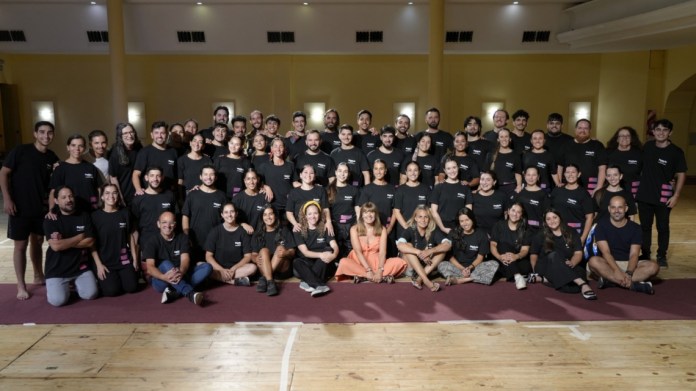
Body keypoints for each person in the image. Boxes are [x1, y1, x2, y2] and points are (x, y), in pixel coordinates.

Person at [0, 121, 59, 300]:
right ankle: (21, 284)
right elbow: (3, 173)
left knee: (38, 241)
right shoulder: (21, 151)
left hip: (40, 208)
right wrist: (7, 199)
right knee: (20, 245)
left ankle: (38, 274)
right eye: (42, 132)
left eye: (49, 133)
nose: (45, 136)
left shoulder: (52, 157)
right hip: (20, 207)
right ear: (35, 134)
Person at [636, 119, 687, 267]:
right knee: (645, 227)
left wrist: (676, 195)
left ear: (670, 133)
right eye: (658, 129)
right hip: (645, 195)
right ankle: (645, 253)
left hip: (664, 197)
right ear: (653, 131)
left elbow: (681, 174)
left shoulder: (676, 152)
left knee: (663, 227)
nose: (661, 132)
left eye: (664, 130)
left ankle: (661, 255)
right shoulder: (647, 146)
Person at [588, 195, 659, 294]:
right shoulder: (601, 226)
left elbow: (634, 254)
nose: (616, 210)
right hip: (609, 263)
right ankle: (633, 285)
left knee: (653, 267)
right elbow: (606, 253)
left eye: (620, 207)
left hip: (629, 263)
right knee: (593, 261)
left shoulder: (636, 228)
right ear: (609, 209)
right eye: (613, 207)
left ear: (626, 208)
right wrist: (616, 270)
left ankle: (611, 281)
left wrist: (629, 273)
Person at [44, 186, 99, 307]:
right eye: (63, 197)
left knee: (91, 294)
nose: (68, 200)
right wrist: (80, 237)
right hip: (57, 269)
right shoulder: (51, 219)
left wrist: (64, 242)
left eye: (70, 196)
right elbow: (56, 247)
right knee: (58, 301)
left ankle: (74, 284)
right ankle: (60, 287)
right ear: (57, 201)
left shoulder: (84, 216)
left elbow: (90, 242)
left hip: (80, 268)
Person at [143, 211, 211, 305]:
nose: (168, 225)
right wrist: (164, 277)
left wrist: (181, 272)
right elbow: (150, 268)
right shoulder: (151, 241)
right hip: (161, 280)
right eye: (164, 222)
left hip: (180, 275)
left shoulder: (183, 238)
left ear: (175, 225)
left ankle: (174, 292)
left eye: (171, 223)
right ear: (158, 224)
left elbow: (185, 259)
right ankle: (190, 293)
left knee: (207, 267)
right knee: (166, 263)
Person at [529, 209, 597, 300]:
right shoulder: (540, 235)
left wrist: (573, 262)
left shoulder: (572, 232)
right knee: (554, 255)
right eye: (548, 219)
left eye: (554, 217)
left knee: (573, 288)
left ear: (560, 218)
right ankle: (582, 284)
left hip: (568, 264)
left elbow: (578, 253)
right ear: (545, 222)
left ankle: (544, 279)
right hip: (547, 266)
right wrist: (535, 271)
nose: (552, 221)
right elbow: (533, 254)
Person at [335, 202, 407, 283]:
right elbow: (358, 252)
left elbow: (382, 252)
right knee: (343, 262)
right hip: (359, 260)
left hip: (377, 261)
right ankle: (377, 276)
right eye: (365, 212)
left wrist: (380, 270)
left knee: (399, 262)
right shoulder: (354, 229)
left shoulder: (382, 229)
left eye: (372, 212)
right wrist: (368, 270)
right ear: (361, 215)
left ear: (375, 215)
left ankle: (364, 277)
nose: (369, 215)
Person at [90, 183, 139, 297]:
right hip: (105, 262)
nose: (111, 196)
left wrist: (135, 258)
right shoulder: (95, 216)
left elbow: (129, 236)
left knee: (132, 287)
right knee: (112, 291)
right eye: (107, 193)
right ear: (101, 196)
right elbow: (91, 244)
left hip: (123, 260)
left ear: (118, 195)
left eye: (114, 193)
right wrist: (99, 265)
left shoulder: (125, 213)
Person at [396, 205, 450, 292]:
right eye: (420, 217)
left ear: (429, 219)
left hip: (426, 267)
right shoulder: (410, 229)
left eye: (426, 217)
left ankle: (420, 279)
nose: (423, 220)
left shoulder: (433, 230)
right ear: (415, 218)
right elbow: (399, 245)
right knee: (408, 246)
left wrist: (430, 251)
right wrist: (419, 253)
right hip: (411, 268)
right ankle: (426, 280)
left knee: (442, 251)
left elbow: (448, 245)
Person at [438, 207, 496, 286]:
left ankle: (461, 280)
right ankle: (473, 278)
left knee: (494, 264)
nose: (465, 223)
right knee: (442, 265)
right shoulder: (453, 233)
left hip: (475, 268)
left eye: (467, 220)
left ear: (472, 219)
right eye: (461, 221)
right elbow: (450, 256)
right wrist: (462, 269)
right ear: (459, 222)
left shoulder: (481, 234)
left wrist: (470, 268)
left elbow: (480, 258)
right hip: (457, 267)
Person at [293, 201, 339, 297]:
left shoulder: (326, 228)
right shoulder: (299, 230)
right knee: (296, 262)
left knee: (327, 252)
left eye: (315, 213)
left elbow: (335, 246)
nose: (312, 216)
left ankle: (308, 282)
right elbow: (305, 252)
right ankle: (319, 285)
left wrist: (334, 255)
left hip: (324, 263)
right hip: (309, 262)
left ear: (319, 214)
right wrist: (320, 254)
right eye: (309, 214)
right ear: (305, 216)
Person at [204, 203, 256, 286]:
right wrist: (221, 270)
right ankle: (234, 281)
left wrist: (233, 269)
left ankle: (219, 278)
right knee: (200, 265)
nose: (229, 215)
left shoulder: (242, 232)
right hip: (218, 268)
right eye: (226, 212)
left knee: (253, 268)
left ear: (236, 213)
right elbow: (208, 256)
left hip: (236, 269)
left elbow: (248, 256)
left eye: (232, 212)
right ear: (222, 215)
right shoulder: (215, 231)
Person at [181, 165, 226, 260]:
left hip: (216, 240)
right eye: (205, 174)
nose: (208, 177)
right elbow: (185, 216)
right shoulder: (192, 195)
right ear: (200, 177)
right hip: (195, 240)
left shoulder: (222, 196)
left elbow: (226, 219)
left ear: (216, 177)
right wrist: (186, 235)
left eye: (211, 174)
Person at [49, 134, 103, 213]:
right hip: (69, 213)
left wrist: (98, 205)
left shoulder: (90, 167)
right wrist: (51, 211)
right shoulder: (60, 169)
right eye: (73, 145)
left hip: (90, 211)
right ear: (68, 147)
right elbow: (53, 192)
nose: (77, 149)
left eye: (80, 146)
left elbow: (98, 189)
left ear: (84, 148)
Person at [251, 204, 296, 296]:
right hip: (264, 268)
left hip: (282, 269)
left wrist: (286, 253)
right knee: (263, 251)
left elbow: (293, 252)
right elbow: (253, 254)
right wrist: (255, 259)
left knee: (280, 248)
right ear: (262, 217)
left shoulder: (284, 230)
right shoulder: (257, 234)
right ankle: (270, 281)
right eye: (265, 214)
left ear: (275, 215)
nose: (268, 217)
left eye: (271, 214)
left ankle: (265, 278)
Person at [130, 166, 177, 247]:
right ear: (146, 178)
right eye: (152, 176)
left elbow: (175, 217)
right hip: (146, 241)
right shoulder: (138, 198)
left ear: (162, 178)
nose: (155, 179)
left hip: (167, 241)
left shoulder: (169, 195)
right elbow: (134, 225)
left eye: (158, 176)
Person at [558, 119, 607, 195]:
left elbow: (602, 167)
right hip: (569, 185)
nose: (582, 131)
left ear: (590, 130)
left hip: (591, 187)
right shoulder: (566, 145)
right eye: (580, 128)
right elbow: (560, 166)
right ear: (575, 129)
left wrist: (599, 187)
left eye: (586, 128)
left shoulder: (597, 145)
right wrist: (559, 182)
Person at [490, 203, 533, 290]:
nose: (515, 214)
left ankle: (509, 276)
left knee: (526, 267)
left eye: (518, 212)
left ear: (521, 215)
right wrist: (499, 257)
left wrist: (516, 256)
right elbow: (493, 245)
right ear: (508, 211)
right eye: (513, 210)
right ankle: (517, 276)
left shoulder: (526, 229)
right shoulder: (499, 225)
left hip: (517, 259)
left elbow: (525, 250)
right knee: (503, 245)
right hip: (501, 259)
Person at [551, 164, 594, 244]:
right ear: (564, 174)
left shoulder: (583, 194)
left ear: (579, 174)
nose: (570, 175)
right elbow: (550, 212)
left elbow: (590, 217)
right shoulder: (557, 191)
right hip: (557, 233)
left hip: (575, 234)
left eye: (573, 172)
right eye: (567, 172)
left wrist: (582, 238)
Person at [132, 121, 178, 194]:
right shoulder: (144, 152)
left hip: (169, 195)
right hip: (150, 195)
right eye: (156, 133)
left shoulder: (173, 152)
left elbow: (176, 175)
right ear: (151, 135)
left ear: (167, 135)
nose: (159, 136)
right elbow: (136, 174)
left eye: (162, 133)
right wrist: (138, 189)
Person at [286, 164, 333, 236]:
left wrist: (329, 222)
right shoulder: (293, 192)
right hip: (300, 227)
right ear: (300, 175)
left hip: (318, 226)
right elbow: (289, 212)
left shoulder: (321, 190)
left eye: (311, 173)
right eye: (305, 172)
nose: (308, 175)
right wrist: (295, 224)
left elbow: (325, 208)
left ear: (314, 176)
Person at [430, 158, 473, 234]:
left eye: (454, 167)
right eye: (448, 168)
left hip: (460, 227)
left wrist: (463, 227)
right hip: (441, 227)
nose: (452, 171)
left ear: (458, 168)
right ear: (445, 171)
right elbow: (433, 211)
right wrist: (443, 228)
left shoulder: (465, 187)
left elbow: (468, 210)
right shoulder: (439, 187)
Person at [257, 137, 296, 220]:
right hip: (272, 205)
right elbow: (256, 183)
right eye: (275, 146)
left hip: (288, 205)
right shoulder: (264, 166)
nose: (278, 149)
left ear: (284, 148)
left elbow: (294, 183)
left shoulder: (290, 165)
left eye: (281, 146)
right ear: (271, 148)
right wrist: (266, 187)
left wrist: (312, 186)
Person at [326, 162, 360, 257]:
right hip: (334, 226)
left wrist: (357, 225)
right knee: (335, 253)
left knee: (351, 254)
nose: (342, 174)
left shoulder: (354, 190)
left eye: (345, 171)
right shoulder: (328, 190)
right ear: (336, 172)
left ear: (348, 174)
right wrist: (328, 223)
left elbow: (358, 209)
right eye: (340, 171)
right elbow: (325, 210)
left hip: (350, 226)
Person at [358, 159, 397, 236]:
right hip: (371, 230)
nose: (378, 172)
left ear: (385, 171)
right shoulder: (367, 189)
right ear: (373, 170)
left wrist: (390, 228)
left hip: (388, 229)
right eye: (376, 169)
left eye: (381, 169)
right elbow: (362, 210)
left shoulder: (392, 189)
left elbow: (395, 211)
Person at [393, 161, 431, 237]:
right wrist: (407, 229)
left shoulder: (426, 189)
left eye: (415, 170)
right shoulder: (400, 190)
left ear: (419, 172)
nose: (413, 173)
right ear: (406, 172)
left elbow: (429, 210)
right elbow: (396, 212)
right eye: (410, 170)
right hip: (404, 230)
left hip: (422, 230)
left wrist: (423, 228)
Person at [109, 122, 142, 206]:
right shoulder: (115, 153)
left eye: (131, 132)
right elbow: (113, 178)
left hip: (140, 192)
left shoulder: (139, 147)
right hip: (125, 195)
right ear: (120, 136)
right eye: (125, 133)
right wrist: (120, 198)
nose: (130, 135)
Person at [606, 126, 642, 198]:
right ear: (617, 139)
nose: (625, 138)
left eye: (628, 136)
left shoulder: (639, 154)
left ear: (632, 139)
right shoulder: (608, 153)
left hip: (633, 192)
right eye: (622, 135)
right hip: (613, 190)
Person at [511, 166, 550, 232]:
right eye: (528, 175)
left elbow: (547, 215)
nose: (531, 178)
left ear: (538, 177)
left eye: (534, 175)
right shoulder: (519, 193)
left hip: (538, 230)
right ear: (524, 176)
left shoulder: (543, 194)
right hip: (520, 230)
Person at [486, 128, 522, 197]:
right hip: (494, 188)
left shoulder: (515, 155)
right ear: (498, 139)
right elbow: (485, 172)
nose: (504, 139)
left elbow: (518, 173)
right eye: (501, 137)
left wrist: (519, 186)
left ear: (510, 139)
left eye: (506, 136)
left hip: (510, 189)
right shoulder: (491, 155)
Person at [472, 171, 508, 237]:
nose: (484, 182)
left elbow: (506, 216)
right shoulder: (473, 197)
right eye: (482, 179)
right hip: (478, 235)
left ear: (494, 182)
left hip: (498, 234)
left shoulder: (502, 196)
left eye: (488, 180)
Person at [232, 168, 269, 233]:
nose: (251, 182)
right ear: (244, 181)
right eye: (248, 179)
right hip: (241, 236)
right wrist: (242, 224)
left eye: (254, 178)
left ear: (258, 179)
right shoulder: (237, 199)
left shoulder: (264, 197)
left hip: (259, 236)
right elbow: (230, 219)